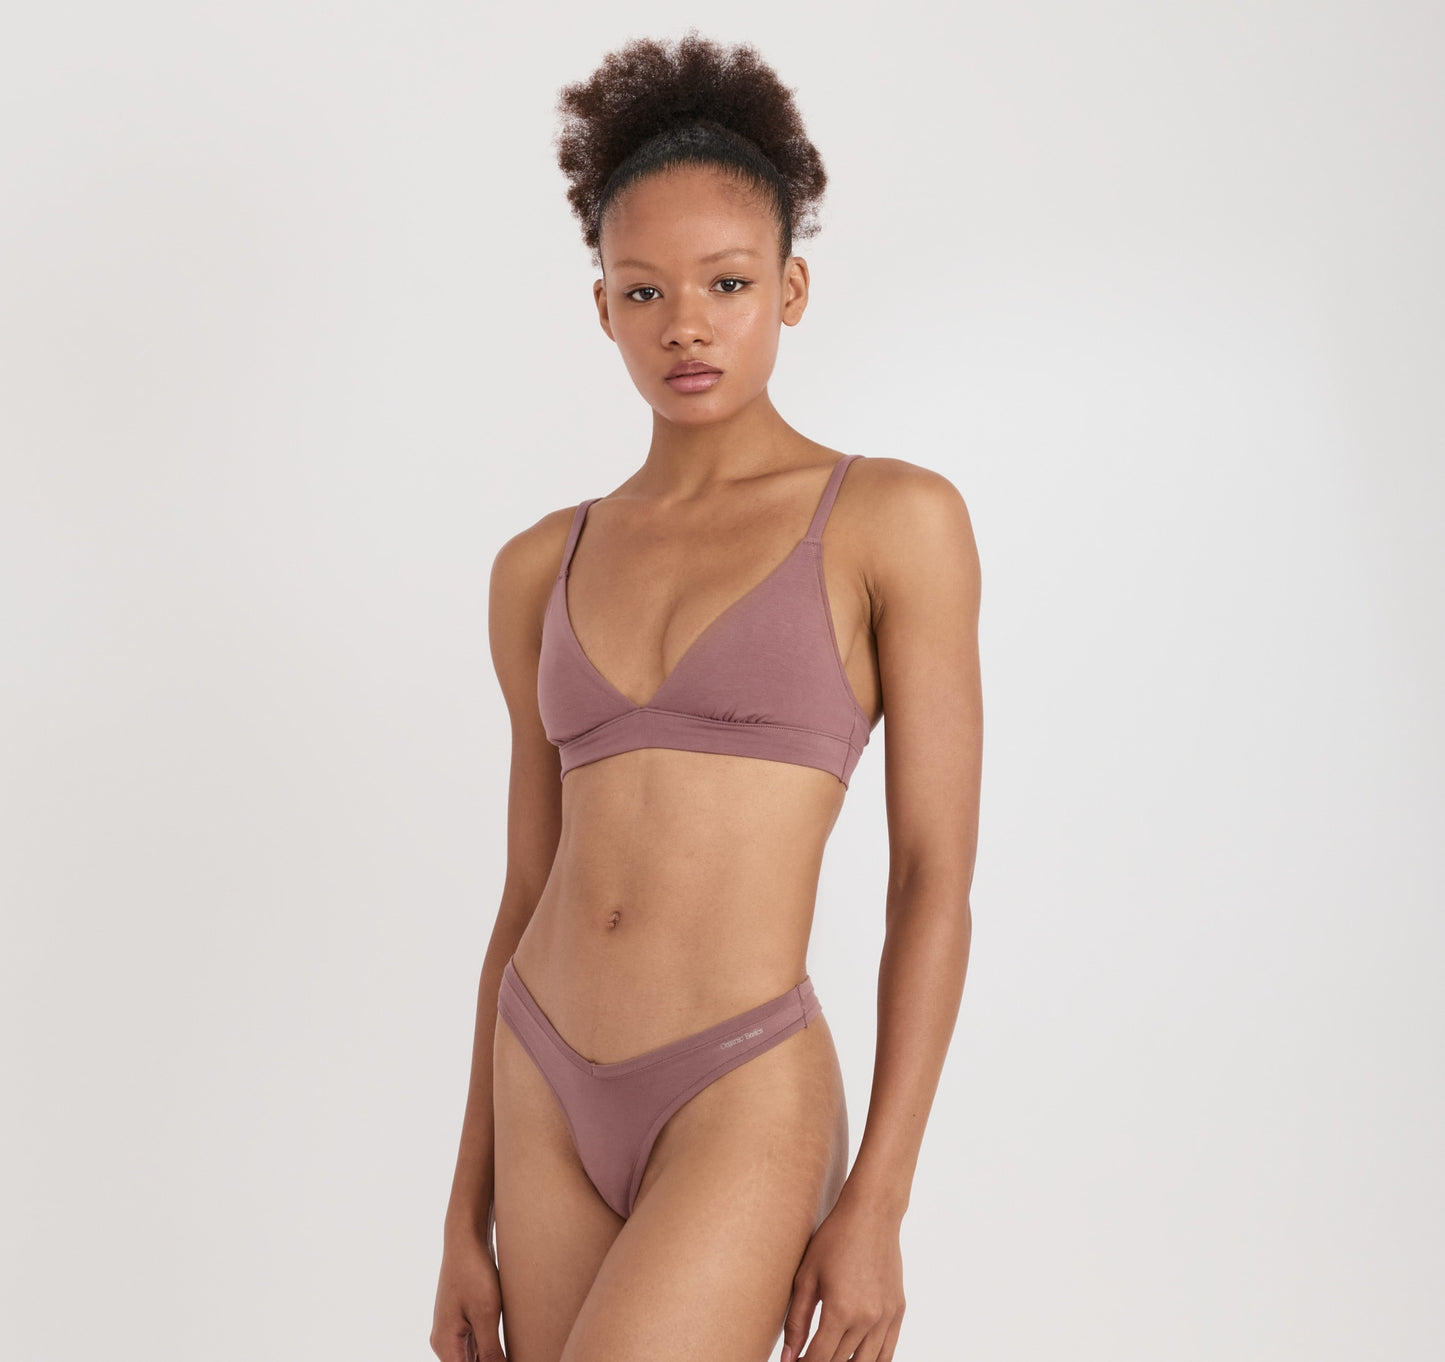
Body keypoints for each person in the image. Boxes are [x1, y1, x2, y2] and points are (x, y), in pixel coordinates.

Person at [431, 30, 981, 1362]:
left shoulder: (891, 520)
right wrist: (461, 1211)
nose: (685, 324)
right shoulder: (536, 566)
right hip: (540, 1076)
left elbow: (932, 879)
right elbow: (526, 887)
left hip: (738, 1080)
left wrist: (879, 1202)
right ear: (602, 307)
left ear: (790, 286)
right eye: (644, 291)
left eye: (727, 283)